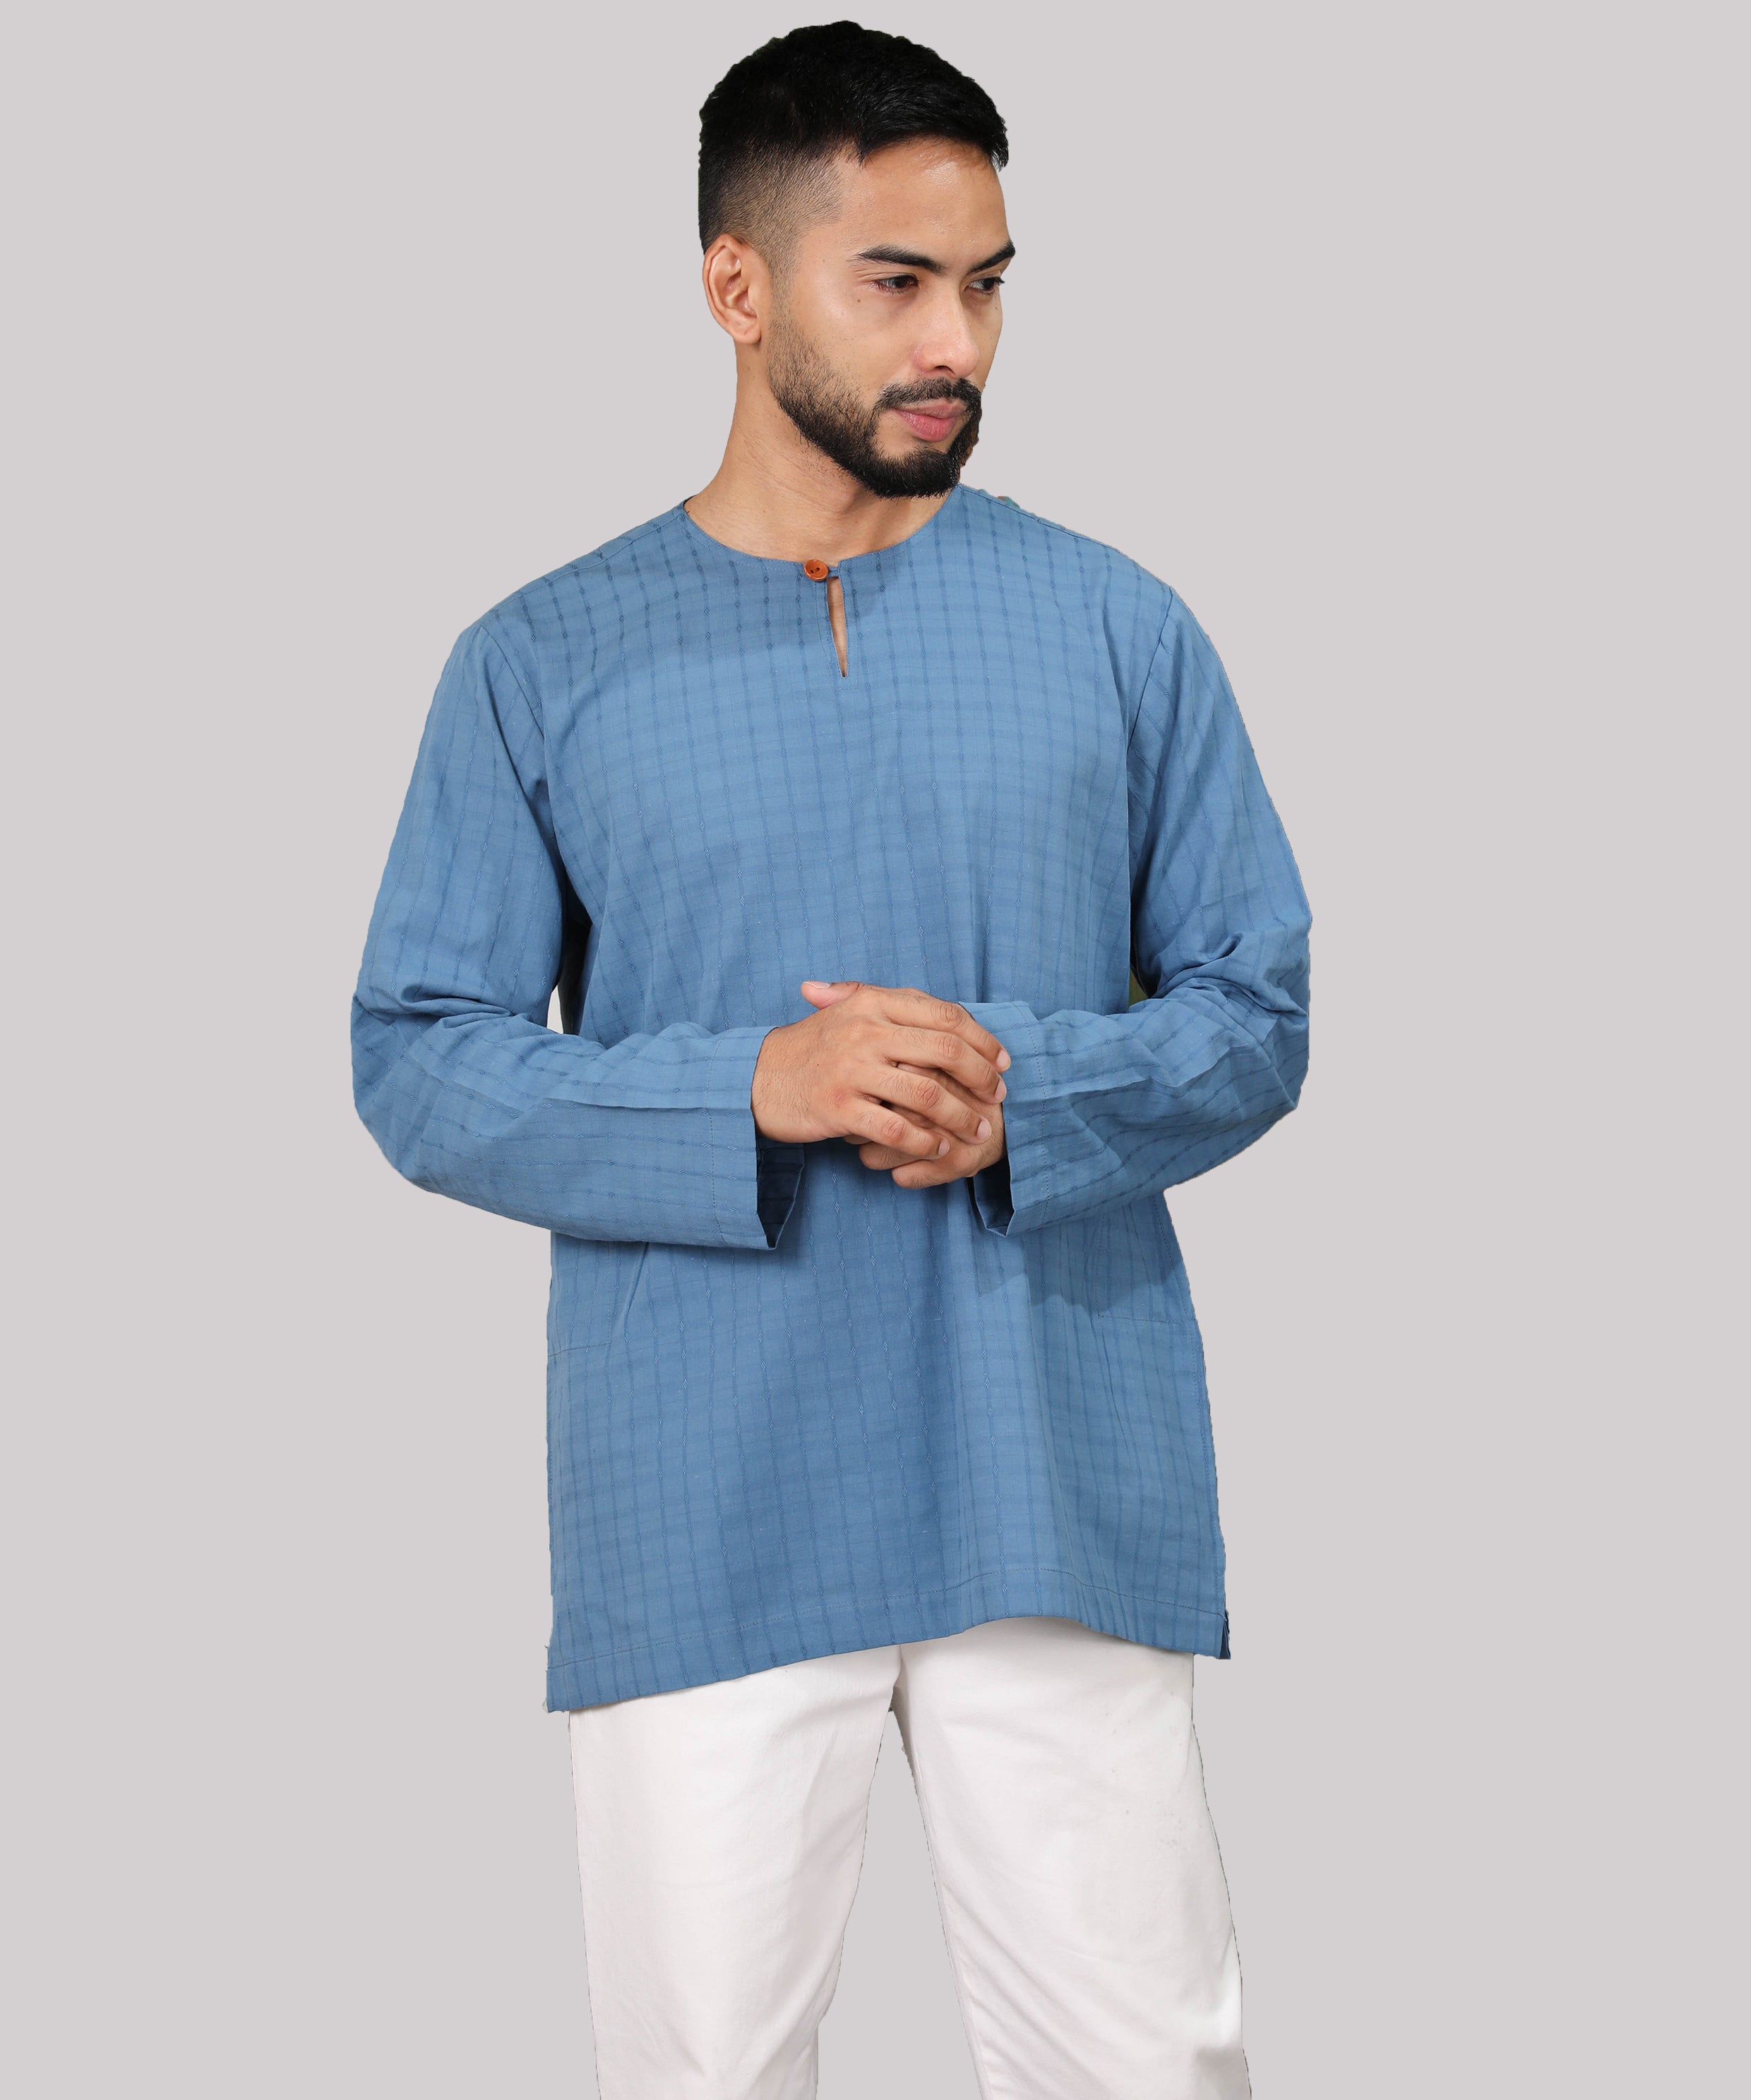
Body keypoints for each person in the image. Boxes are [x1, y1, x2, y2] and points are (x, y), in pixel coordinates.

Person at [352, 20, 1310, 2097]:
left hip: (1052, 1464)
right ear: (736, 285)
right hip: (706, 1483)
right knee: (703, 2072)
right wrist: (746, 1096)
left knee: (1151, 2066)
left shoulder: (1118, 627)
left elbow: (1257, 1004)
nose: (956, 340)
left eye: (986, 284)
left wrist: (1027, 1094)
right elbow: (419, 1057)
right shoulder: (542, 658)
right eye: (895, 282)